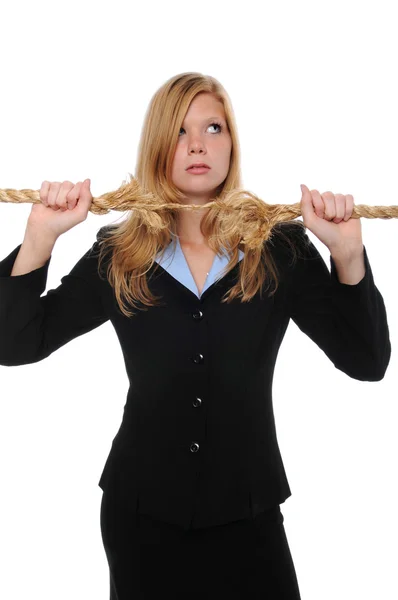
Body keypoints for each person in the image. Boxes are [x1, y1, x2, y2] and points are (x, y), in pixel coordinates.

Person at [0, 72, 391, 599]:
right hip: (141, 516)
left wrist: (347, 255)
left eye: (213, 127)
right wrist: (39, 238)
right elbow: (14, 343)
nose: (198, 145)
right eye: (180, 132)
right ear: (159, 146)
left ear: (232, 143)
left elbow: (367, 360)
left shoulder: (281, 250)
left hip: (249, 512)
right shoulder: (118, 255)